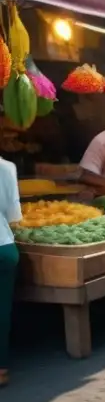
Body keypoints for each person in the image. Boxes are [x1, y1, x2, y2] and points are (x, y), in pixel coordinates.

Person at [0, 156, 20, 387]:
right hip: (3, 246)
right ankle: (1, 368)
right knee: (2, 309)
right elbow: (14, 216)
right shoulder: (6, 168)